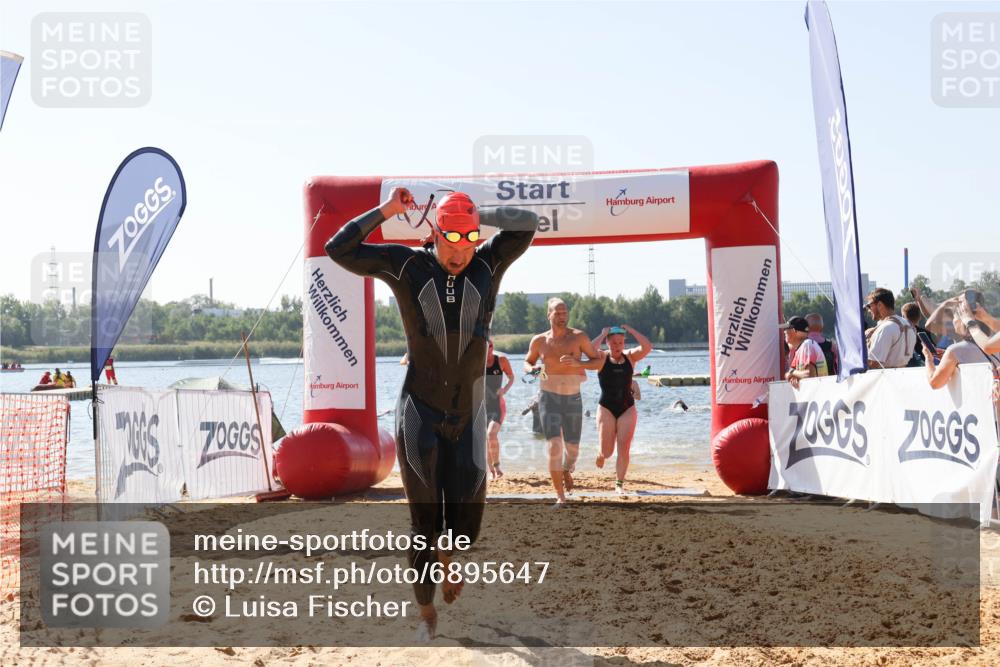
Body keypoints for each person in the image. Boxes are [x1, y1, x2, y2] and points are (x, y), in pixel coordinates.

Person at [325, 187, 537, 639]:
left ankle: (449, 557)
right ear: (434, 233)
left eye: (468, 243)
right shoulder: (408, 265)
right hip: (419, 411)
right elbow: (337, 248)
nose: (459, 254)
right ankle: (426, 616)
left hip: (470, 417)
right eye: (450, 242)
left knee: (467, 530)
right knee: (423, 527)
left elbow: (526, 222)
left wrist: (482, 212)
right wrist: (386, 211)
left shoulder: (488, 263)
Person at [524, 298, 604, 504]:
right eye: (557, 313)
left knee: (573, 449)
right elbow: (528, 362)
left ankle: (567, 469)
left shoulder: (578, 337)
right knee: (554, 446)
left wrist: (579, 362)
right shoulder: (539, 341)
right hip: (547, 398)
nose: (562, 316)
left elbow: (598, 362)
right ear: (548, 315)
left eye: (564, 312)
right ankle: (560, 496)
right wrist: (531, 370)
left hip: (573, 398)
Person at [574, 325, 652, 494]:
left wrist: (631, 330)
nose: (618, 346)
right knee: (608, 451)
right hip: (606, 408)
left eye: (621, 342)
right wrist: (602, 334)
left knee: (624, 447)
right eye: (614, 343)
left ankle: (619, 484)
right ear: (608, 343)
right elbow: (587, 351)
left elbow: (647, 347)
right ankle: (601, 454)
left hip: (627, 408)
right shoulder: (602, 357)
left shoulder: (630, 357)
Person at [484, 339, 514, 480]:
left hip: (497, 405)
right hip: (481, 406)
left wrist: (504, 389)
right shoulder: (476, 362)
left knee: (491, 434)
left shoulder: (501, 360)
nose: (487, 349)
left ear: (492, 347)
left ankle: (497, 466)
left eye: (490, 346)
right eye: (484, 347)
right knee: (486, 439)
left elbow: (511, 377)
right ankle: (491, 472)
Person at [864, 288, 916, 369]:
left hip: (885, 378)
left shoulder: (886, 328)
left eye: (869, 306)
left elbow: (873, 363)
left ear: (880, 305)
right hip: (903, 375)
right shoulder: (908, 325)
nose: (869, 310)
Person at [781, 316, 829, 388]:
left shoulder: (807, 345)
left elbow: (809, 375)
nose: (784, 332)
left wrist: (792, 373)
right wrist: (793, 376)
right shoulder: (801, 348)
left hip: (818, 393)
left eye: (786, 329)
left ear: (794, 331)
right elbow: (787, 375)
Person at [901, 302, 938, 366]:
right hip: (927, 365)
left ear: (903, 317)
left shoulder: (901, 334)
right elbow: (934, 353)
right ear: (919, 317)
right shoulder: (926, 333)